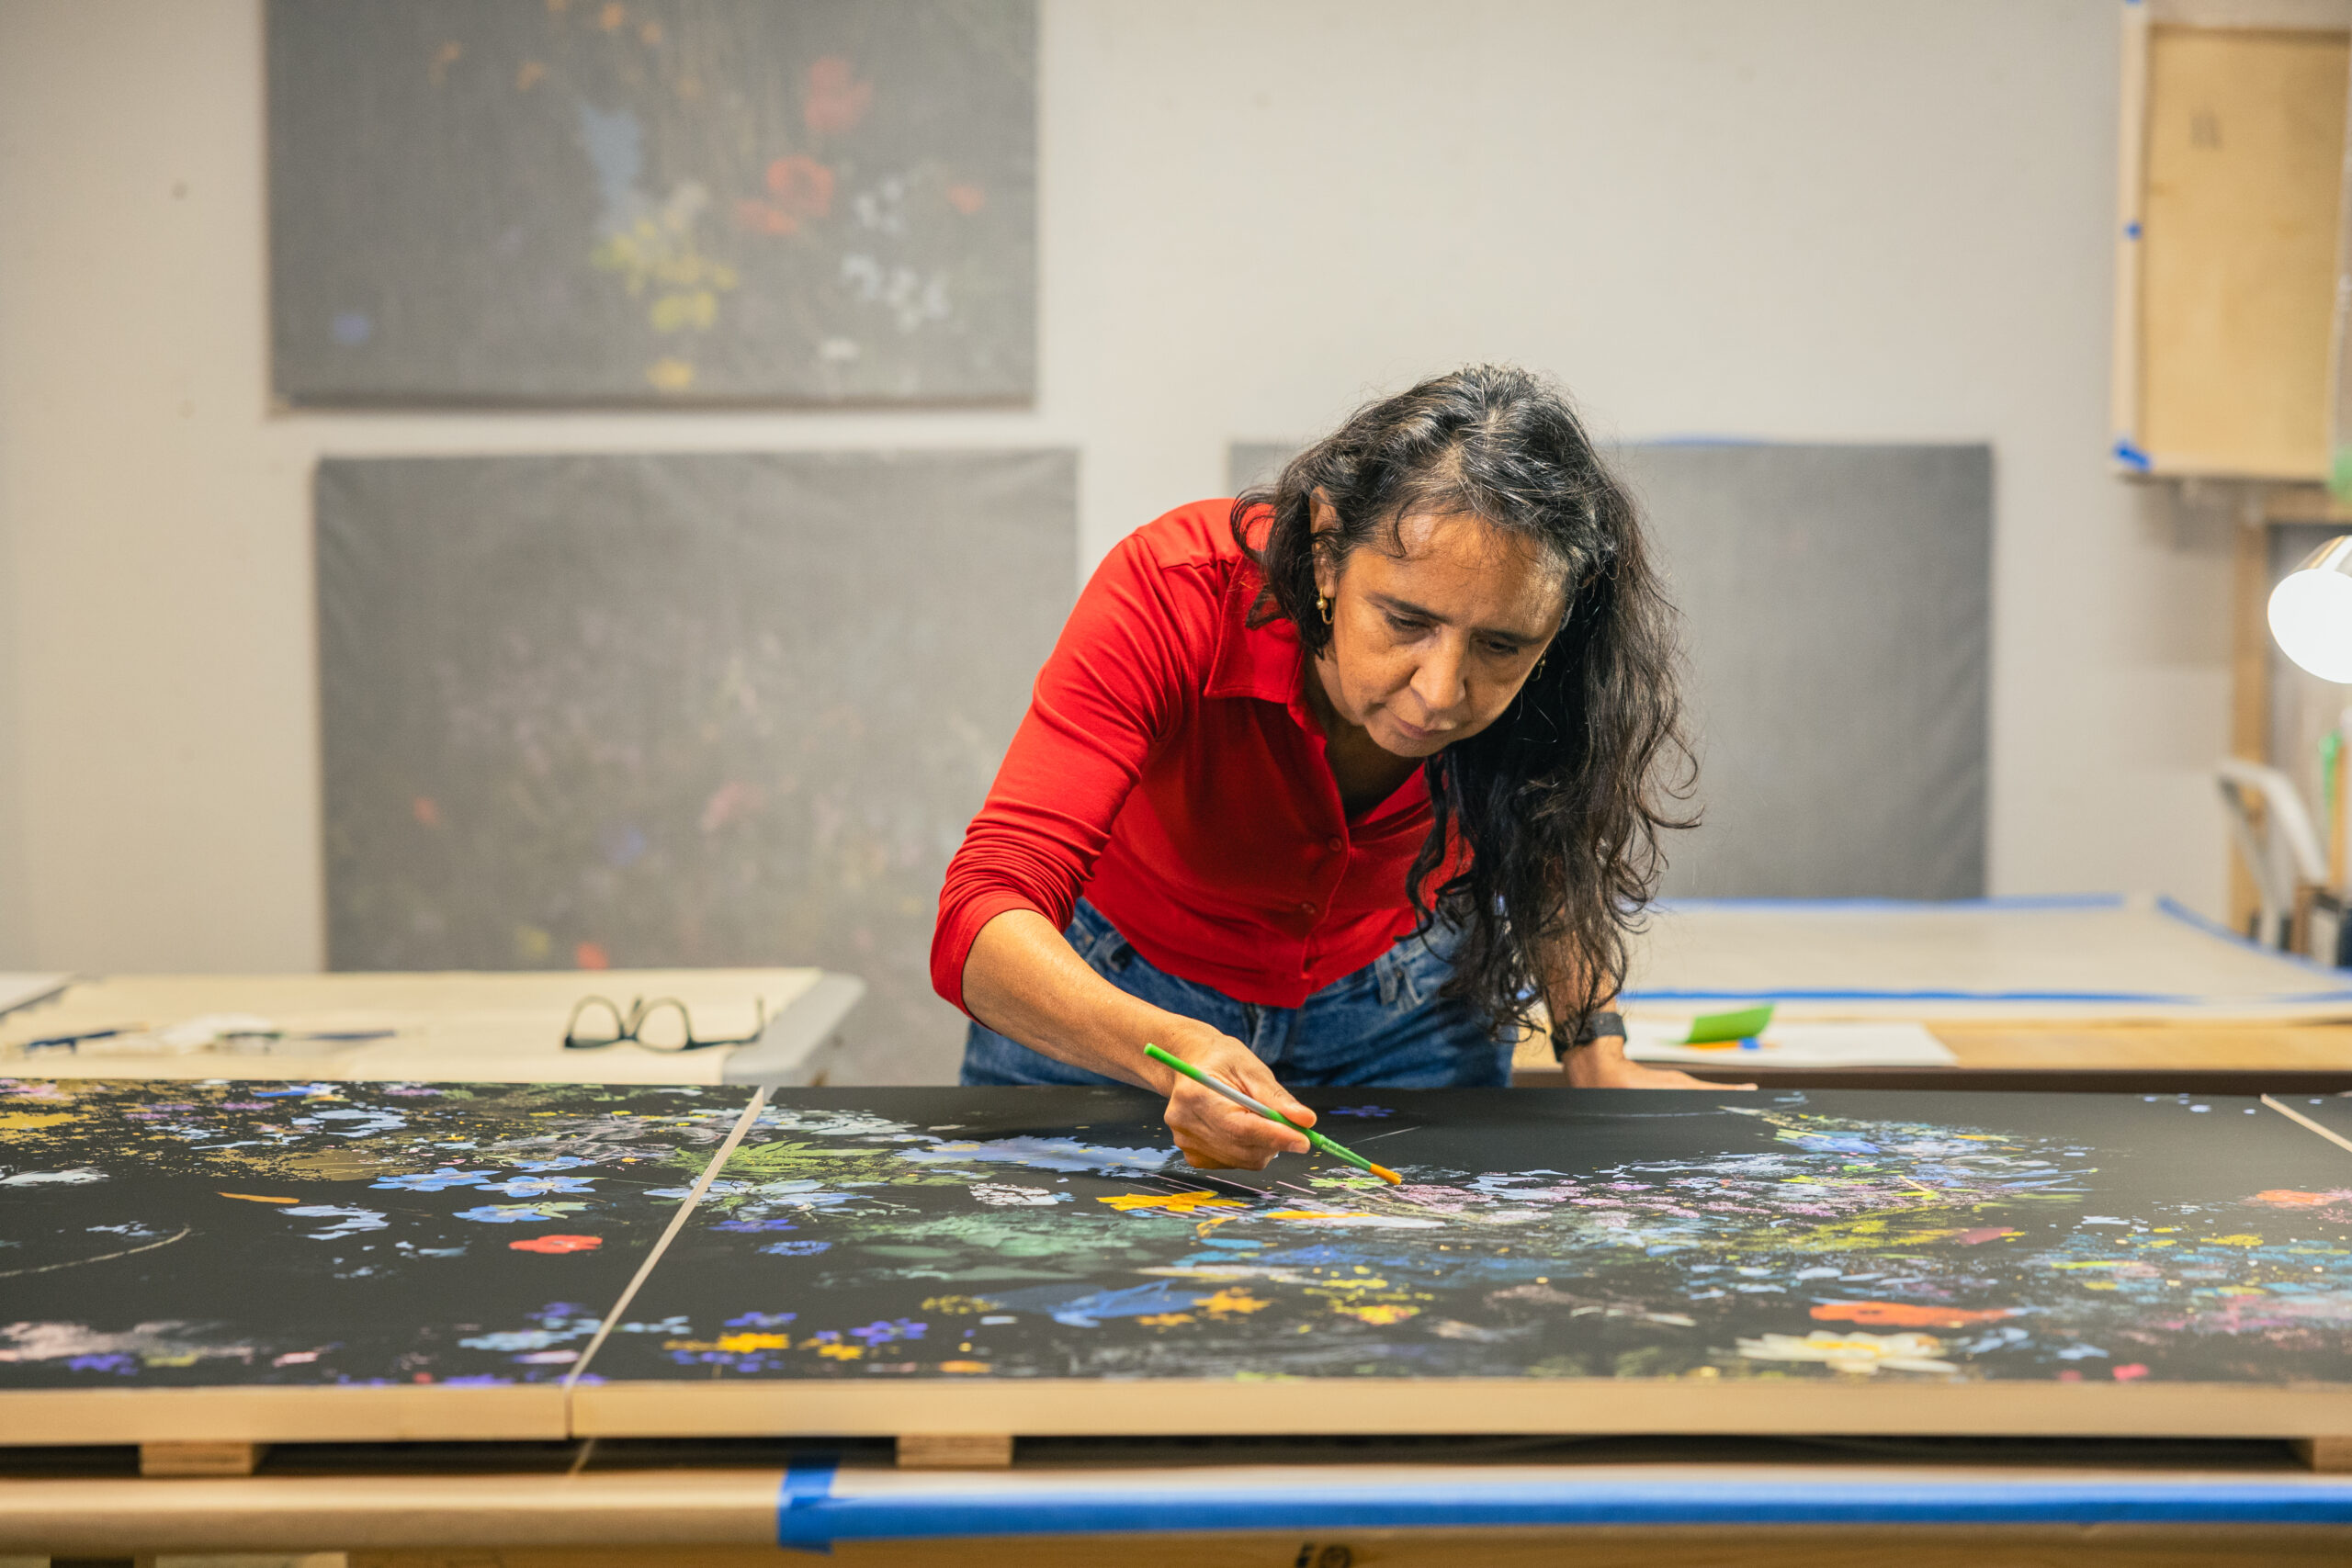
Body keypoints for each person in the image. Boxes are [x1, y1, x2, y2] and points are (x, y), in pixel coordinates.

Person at [933, 365, 1704, 1172]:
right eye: (1406, 620)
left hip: (1405, 1016)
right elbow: (981, 918)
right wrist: (1173, 1050)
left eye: (1501, 646)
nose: (1440, 693)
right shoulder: (1174, 592)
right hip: (1118, 1006)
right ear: (1329, 547)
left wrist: (1597, 1053)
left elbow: (1550, 839)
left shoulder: (1557, 658)